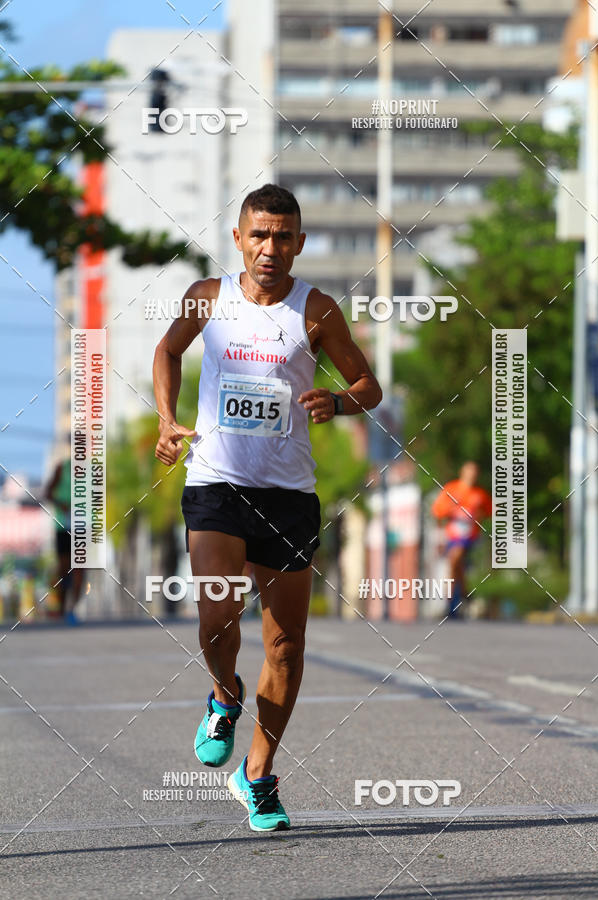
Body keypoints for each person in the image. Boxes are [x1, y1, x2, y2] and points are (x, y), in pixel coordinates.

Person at [153, 184, 382, 832]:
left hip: (289, 496)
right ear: (239, 239)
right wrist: (168, 419)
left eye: (283, 237)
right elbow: (168, 351)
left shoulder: (318, 309)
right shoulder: (208, 298)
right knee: (218, 616)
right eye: (259, 235)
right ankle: (224, 694)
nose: (270, 248)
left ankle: (257, 773)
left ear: (300, 244)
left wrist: (336, 402)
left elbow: (369, 384)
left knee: (285, 645)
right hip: (216, 482)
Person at [431, 462, 492, 619]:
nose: (472, 476)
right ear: (462, 473)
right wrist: (439, 536)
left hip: (469, 536)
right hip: (452, 534)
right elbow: (437, 511)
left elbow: (490, 510)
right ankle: (462, 595)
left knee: (454, 559)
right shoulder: (452, 489)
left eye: (474, 473)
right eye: (469, 472)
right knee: (456, 566)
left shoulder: (479, 494)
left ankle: (453, 600)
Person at [44, 457, 84, 624]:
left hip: (82, 526)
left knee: (79, 569)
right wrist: (62, 504)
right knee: (64, 568)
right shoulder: (62, 468)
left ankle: (72, 609)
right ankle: (60, 607)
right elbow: (48, 493)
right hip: (63, 526)